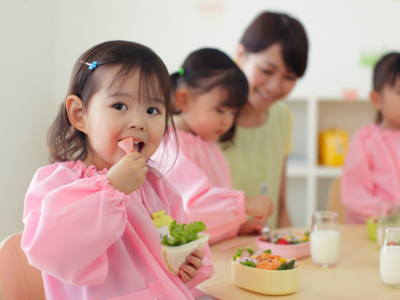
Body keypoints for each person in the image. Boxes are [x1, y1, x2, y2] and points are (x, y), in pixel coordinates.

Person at [21, 40, 214, 300]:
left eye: (152, 110)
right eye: (119, 106)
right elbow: (51, 250)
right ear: (80, 115)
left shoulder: (155, 184)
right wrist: (111, 189)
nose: (138, 122)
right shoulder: (59, 182)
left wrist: (187, 264)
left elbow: (172, 253)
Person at [153, 48, 274, 245]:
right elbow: (193, 205)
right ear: (183, 99)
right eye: (220, 110)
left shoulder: (206, 144)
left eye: (233, 112)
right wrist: (243, 205)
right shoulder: (169, 145)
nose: (228, 121)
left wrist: (237, 226)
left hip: (213, 251)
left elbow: (209, 215)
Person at [220, 12, 309, 230]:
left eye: (289, 77)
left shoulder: (281, 116)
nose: (275, 87)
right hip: (215, 253)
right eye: (266, 70)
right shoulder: (209, 116)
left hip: (265, 253)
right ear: (241, 54)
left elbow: (281, 206)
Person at [341, 52, 400, 224]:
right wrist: (390, 211)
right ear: (376, 99)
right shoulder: (365, 139)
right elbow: (354, 198)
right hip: (373, 233)